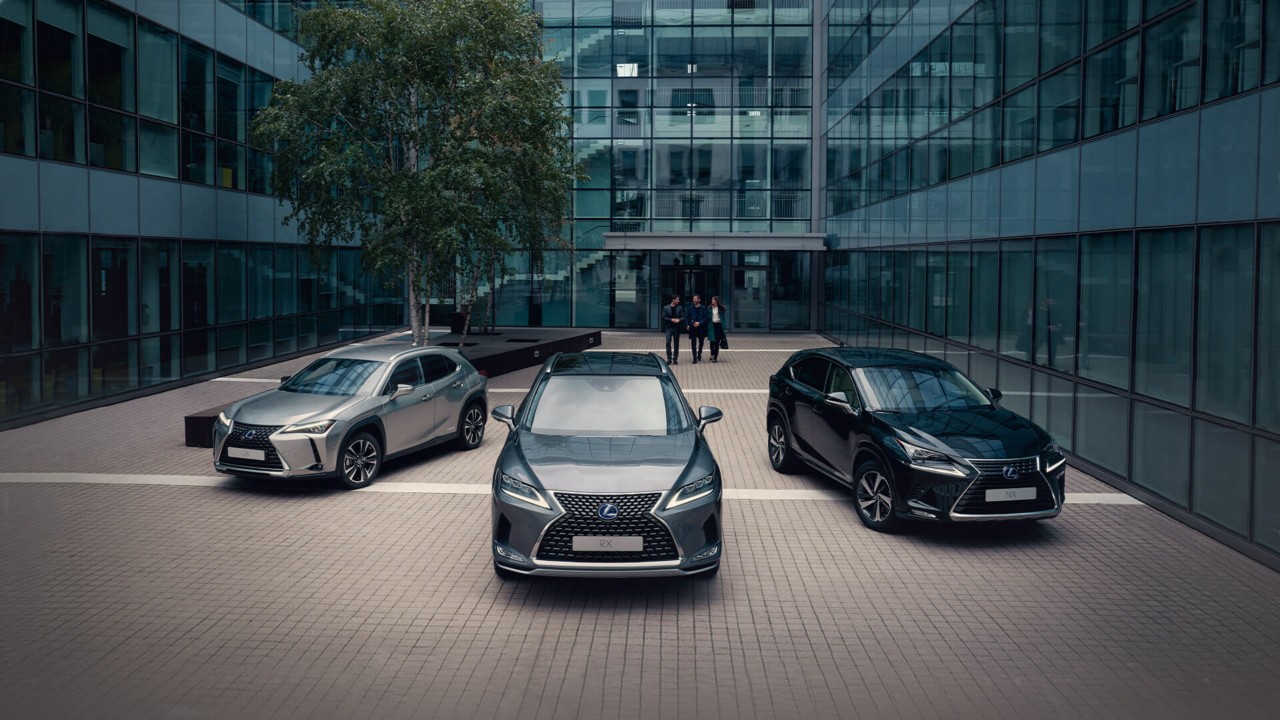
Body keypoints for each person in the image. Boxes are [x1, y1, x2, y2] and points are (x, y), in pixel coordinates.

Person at [661, 295, 685, 364]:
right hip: (669, 328)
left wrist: (679, 320)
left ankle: (675, 359)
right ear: (673, 300)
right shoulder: (666, 307)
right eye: (677, 299)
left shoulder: (680, 308)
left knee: (676, 344)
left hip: (677, 328)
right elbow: (663, 317)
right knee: (668, 342)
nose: (678, 301)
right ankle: (669, 358)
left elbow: (683, 317)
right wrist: (671, 320)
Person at [685, 294, 709, 364]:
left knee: (701, 342)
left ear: (699, 300)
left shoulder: (703, 308)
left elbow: (706, 317)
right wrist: (687, 325)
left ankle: (699, 353)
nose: (694, 300)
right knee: (693, 342)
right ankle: (694, 358)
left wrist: (700, 323)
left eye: (695, 299)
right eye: (693, 299)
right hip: (693, 327)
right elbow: (687, 317)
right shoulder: (690, 308)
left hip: (701, 328)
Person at [706, 295, 729, 363]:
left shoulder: (720, 309)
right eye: (712, 299)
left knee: (717, 343)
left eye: (714, 299)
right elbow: (708, 317)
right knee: (712, 342)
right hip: (712, 326)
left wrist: (724, 328)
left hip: (719, 326)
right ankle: (712, 354)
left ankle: (715, 357)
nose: (712, 300)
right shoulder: (709, 308)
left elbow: (723, 319)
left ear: (716, 301)